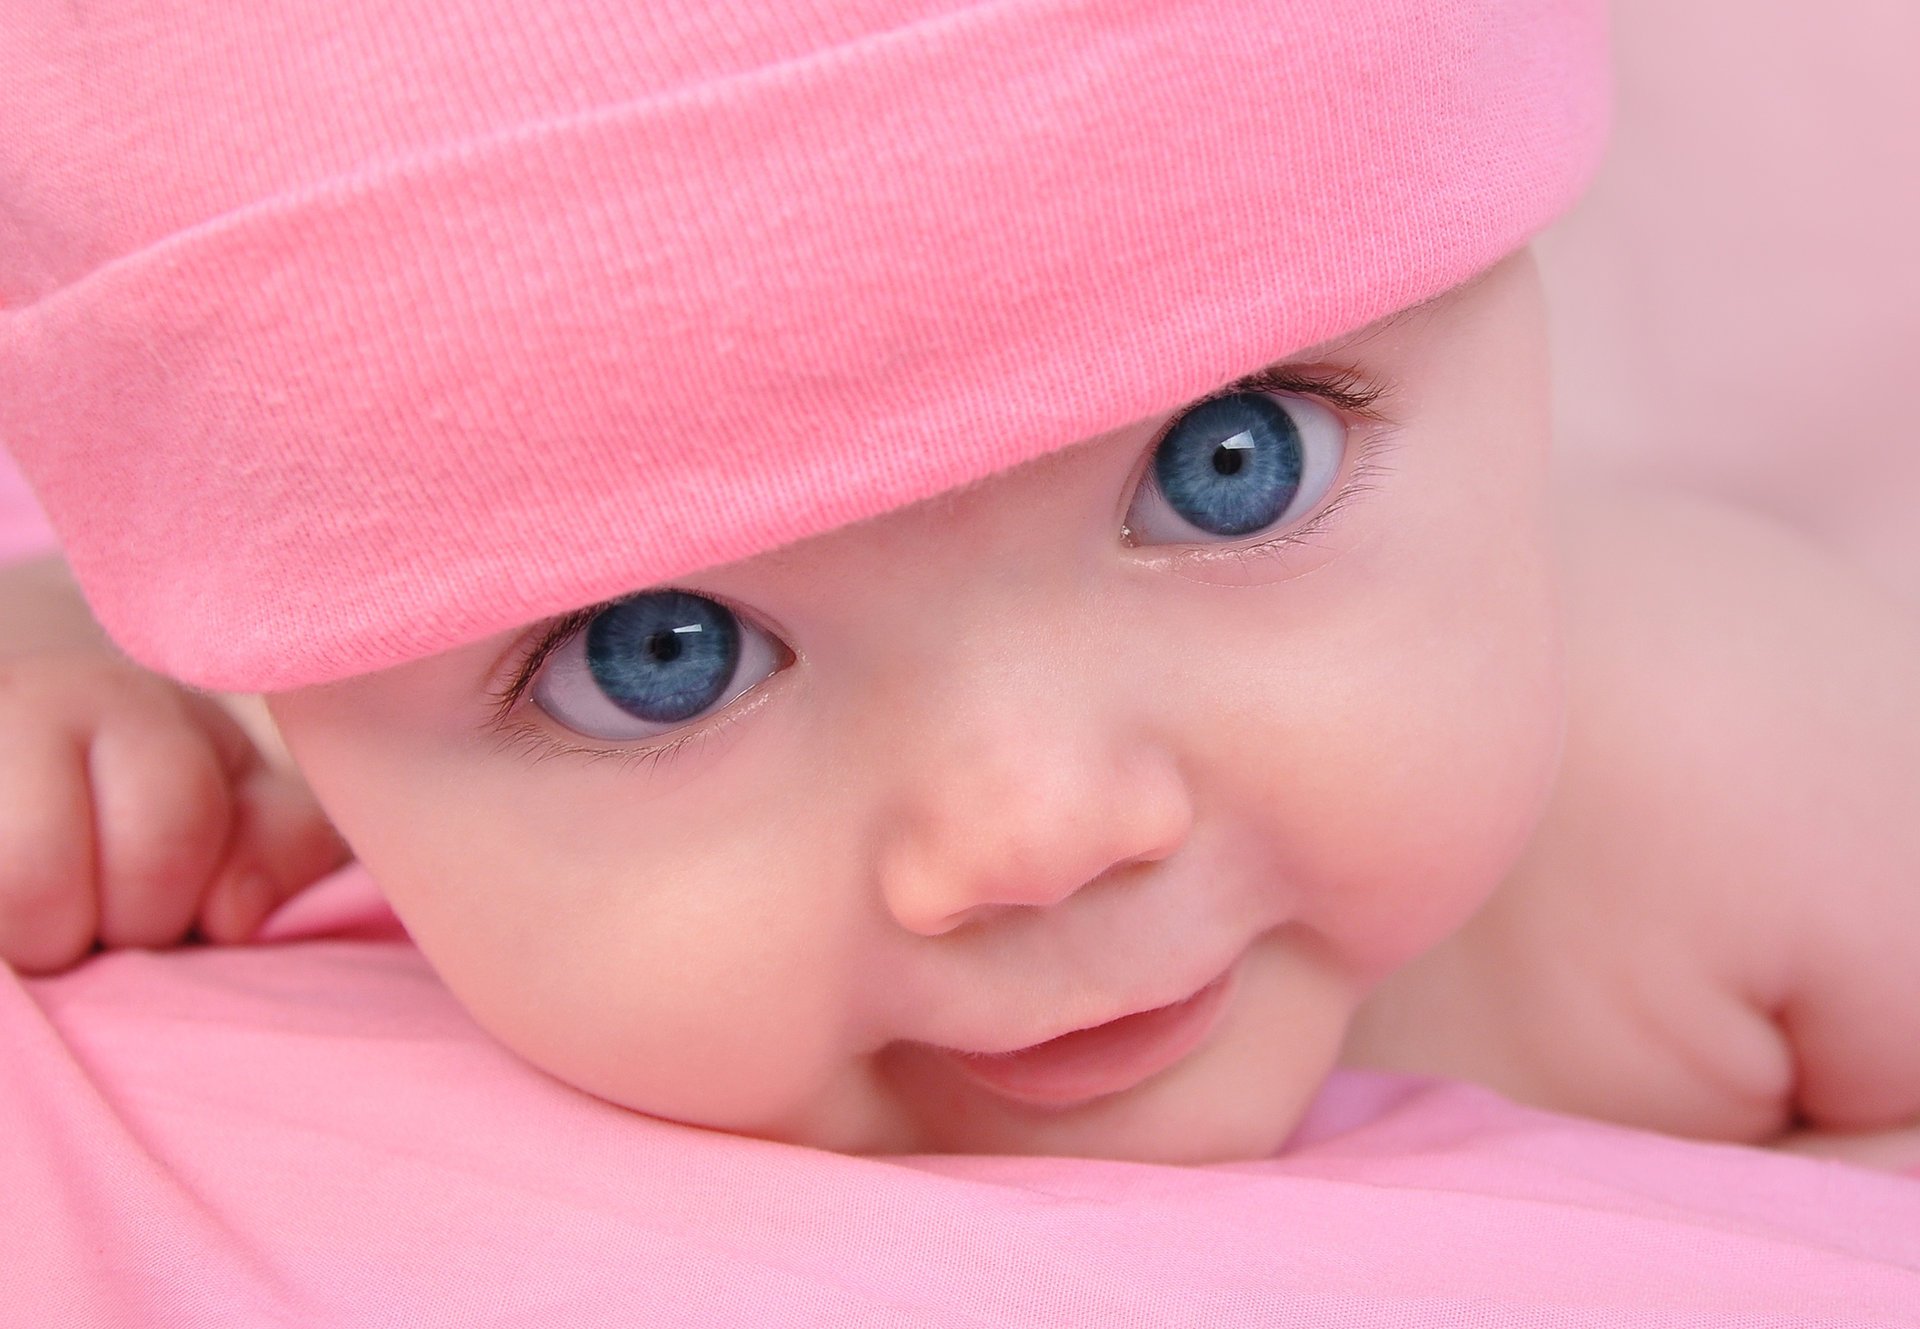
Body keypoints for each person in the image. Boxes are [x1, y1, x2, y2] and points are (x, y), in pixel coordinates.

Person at [3, 0, 1917, 1168]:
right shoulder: (258, 766)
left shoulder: (1752, 774)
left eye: (1226, 468)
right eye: (654, 654)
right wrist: (64, 668)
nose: (1046, 832)